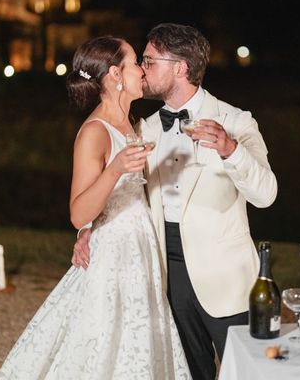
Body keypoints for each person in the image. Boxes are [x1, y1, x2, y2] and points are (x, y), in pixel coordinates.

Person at [73, 23, 278, 380]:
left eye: (150, 60)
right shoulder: (144, 130)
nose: (143, 68)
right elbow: (122, 184)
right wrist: (91, 227)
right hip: (164, 277)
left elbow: (266, 194)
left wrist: (231, 150)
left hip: (225, 278)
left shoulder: (236, 121)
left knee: (250, 373)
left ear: (180, 68)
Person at [0, 37, 191, 379]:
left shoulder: (132, 123)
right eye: (135, 64)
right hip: (114, 255)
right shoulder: (94, 133)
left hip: (141, 248)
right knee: (104, 344)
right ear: (115, 74)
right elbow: (77, 213)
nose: (143, 71)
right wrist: (114, 170)